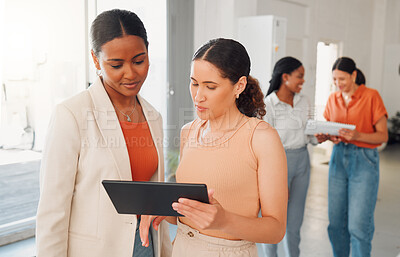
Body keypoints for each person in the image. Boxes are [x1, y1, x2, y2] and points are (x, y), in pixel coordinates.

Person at [36, 9, 172, 257]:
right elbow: (52, 209)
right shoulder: (72, 114)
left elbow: (153, 191)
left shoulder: (153, 116)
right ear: (96, 60)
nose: (130, 74)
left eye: (139, 61)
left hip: (146, 246)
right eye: (116, 65)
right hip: (97, 249)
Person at [140, 38, 288, 257]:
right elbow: (192, 212)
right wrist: (157, 208)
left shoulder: (261, 137)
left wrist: (224, 220)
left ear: (239, 85)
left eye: (210, 86)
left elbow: (275, 230)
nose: (198, 96)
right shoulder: (188, 132)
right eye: (194, 83)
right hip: (182, 247)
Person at [315, 57, 388, 257]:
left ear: (354, 75)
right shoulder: (333, 99)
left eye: (342, 79)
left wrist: (358, 136)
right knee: (336, 222)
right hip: (338, 159)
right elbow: (330, 128)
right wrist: (326, 136)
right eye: (335, 80)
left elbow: (383, 136)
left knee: (358, 225)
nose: (338, 84)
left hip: (364, 159)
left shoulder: (372, 96)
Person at [262, 56, 317, 257]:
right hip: (278, 163)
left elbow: (310, 135)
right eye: (300, 77)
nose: (303, 81)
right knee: (273, 221)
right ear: (285, 77)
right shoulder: (269, 104)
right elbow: (264, 144)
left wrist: (321, 136)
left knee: (295, 223)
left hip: (303, 160)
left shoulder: (304, 100)